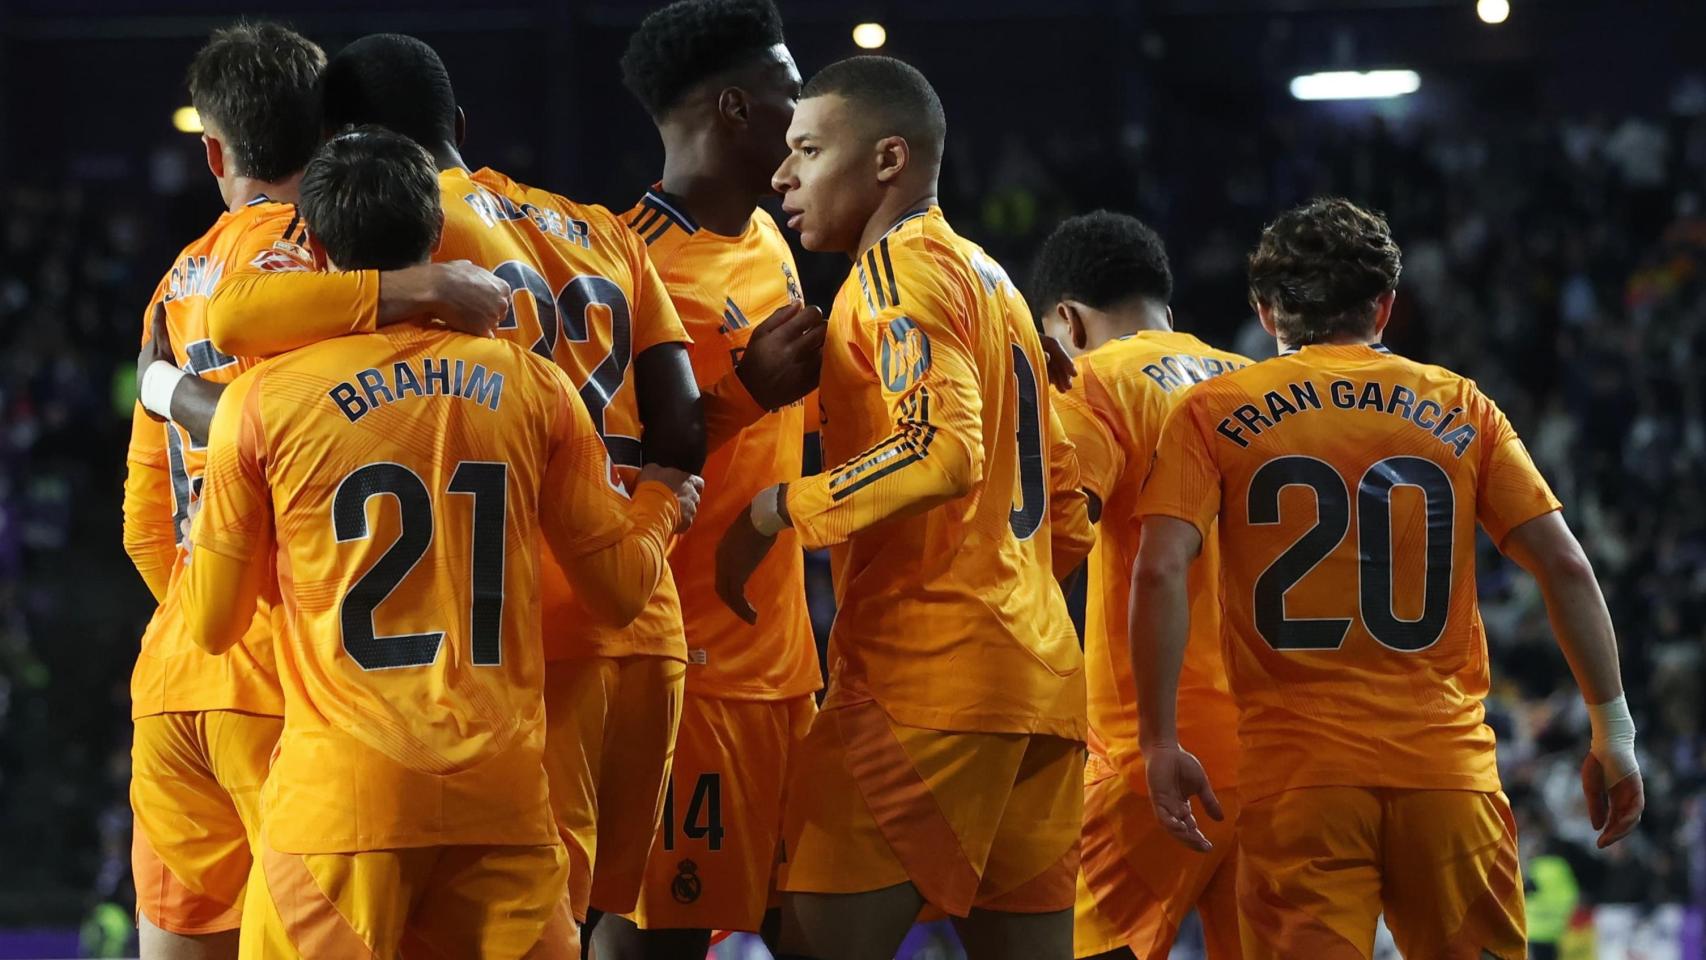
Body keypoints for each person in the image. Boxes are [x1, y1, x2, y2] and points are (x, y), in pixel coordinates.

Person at [199, 33, 807, 934]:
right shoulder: (599, 227)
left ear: (340, 150)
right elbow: (680, 428)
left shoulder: (402, 226)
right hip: (644, 629)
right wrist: (665, 491)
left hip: (516, 644)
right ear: (459, 123)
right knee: (614, 926)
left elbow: (238, 316)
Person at [1132, 197, 1645, 958]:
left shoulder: (1212, 411)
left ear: (1266, 312)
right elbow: (1565, 564)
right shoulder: (1462, 406)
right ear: (1385, 306)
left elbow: (1160, 568)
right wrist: (1614, 732)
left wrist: (1158, 741)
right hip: (1446, 770)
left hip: (1298, 778)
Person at [121, 24, 502, 960]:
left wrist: (198, 620)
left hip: (174, 683)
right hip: (296, 684)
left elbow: (143, 522)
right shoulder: (323, 253)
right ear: (333, 133)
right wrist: (417, 285)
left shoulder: (174, 280)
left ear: (216, 153)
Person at [717, 55, 1095, 960]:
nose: (782, 175)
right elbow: (1069, 513)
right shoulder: (994, 281)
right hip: (1041, 680)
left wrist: (774, 509)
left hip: (923, 679)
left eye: (809, 149)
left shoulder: (896, 277)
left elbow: (940, 451)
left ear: (889, 159)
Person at [595, 2, 824, 957]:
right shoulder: (621, 261)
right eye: (792, 92)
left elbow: (799, 417)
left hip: (786, 668)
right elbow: (604, 475)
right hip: (686, 675)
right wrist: (744, 392)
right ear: (735, 106)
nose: (810, 116)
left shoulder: (771, 236)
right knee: (657, 939)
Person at [1031, 211, 1250, 960]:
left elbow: (1051, 538)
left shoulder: (1092, 382)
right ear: (1166, 309)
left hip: (1151, 755)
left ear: (1067, 322)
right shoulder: (1261, 385)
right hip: (1283, 753)